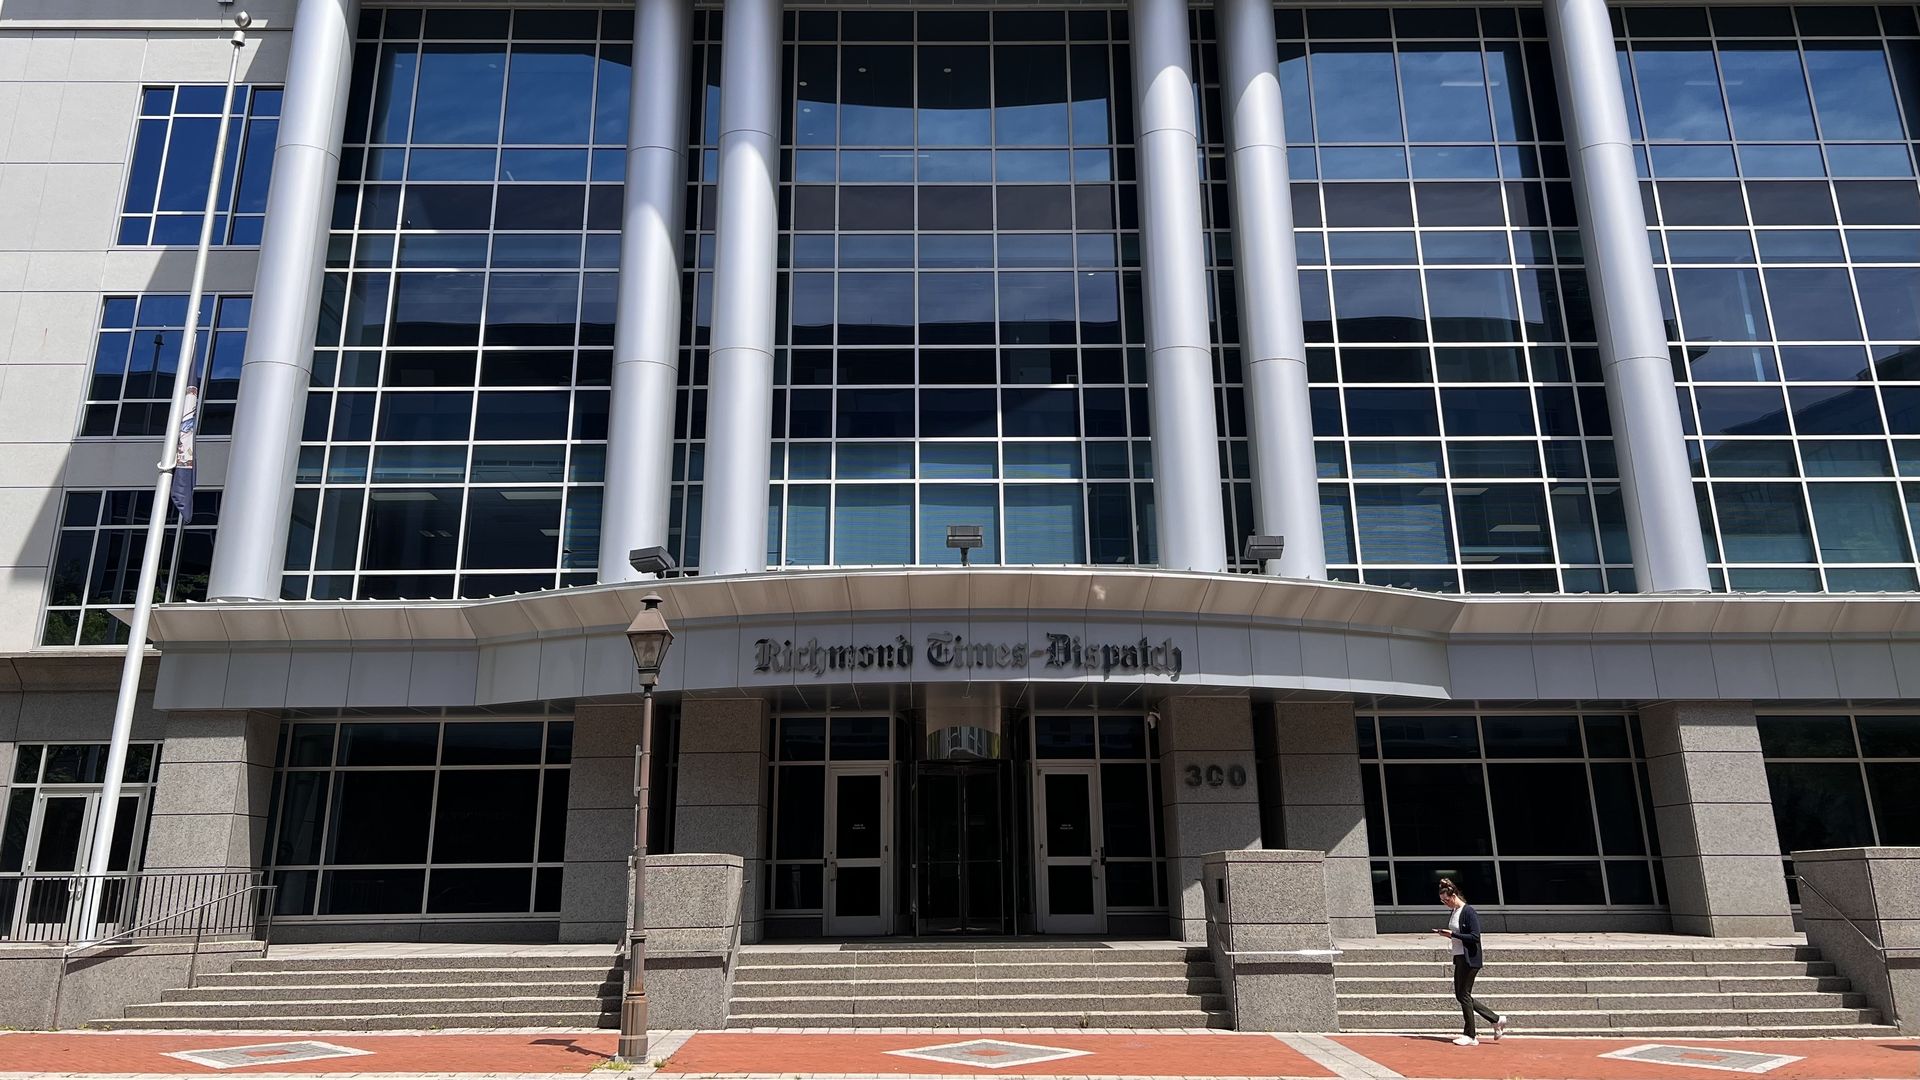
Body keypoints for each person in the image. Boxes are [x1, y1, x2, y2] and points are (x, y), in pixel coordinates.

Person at [1433, 878, 1507, 1046]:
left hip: (1470, 958)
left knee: (1463, 995)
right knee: (1461, 995)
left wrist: (1452, 935)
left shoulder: (1468, 911)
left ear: (1453, 896)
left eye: (1446, 900)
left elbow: (1475, 936)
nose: (1445, 903)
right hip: (1460, 956)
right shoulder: (1454, 912)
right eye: (1442, 901)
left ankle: (1471, 1035)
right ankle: (1496, 1019)